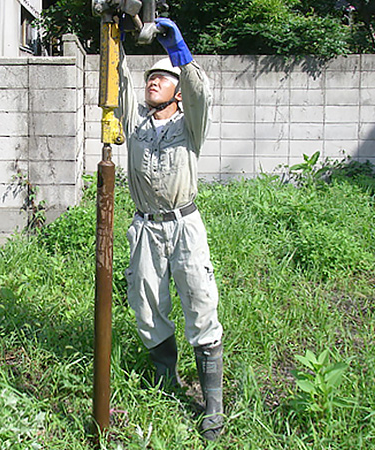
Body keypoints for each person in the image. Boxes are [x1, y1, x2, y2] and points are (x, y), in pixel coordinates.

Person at [117, 17, 224, 441]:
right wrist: (116, 40)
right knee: (146, 305)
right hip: (145, 228)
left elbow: (201, 93)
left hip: (184, 226)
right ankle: (166, 381)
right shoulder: (137, 124)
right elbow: (119, 83)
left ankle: (212, 404)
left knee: (200, 302)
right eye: (151, 77)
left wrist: (179, 51)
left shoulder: (190, 125)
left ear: (177, 92)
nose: (152, 82)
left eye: (162, 78)